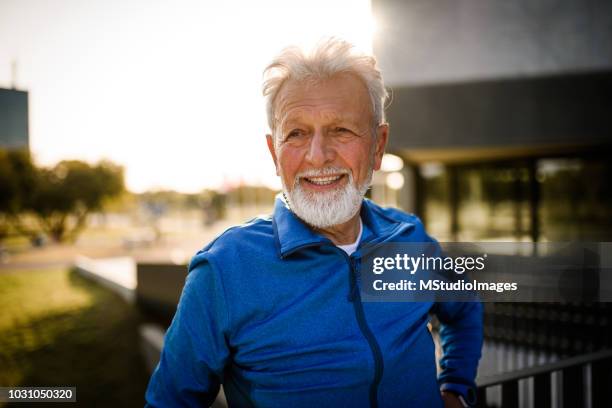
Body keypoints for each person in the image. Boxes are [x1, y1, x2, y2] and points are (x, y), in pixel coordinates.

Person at [145, 38, 482, 408]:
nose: (318, 156)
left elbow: (464, 307)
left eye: (341, 130)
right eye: (297, 133)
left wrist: (456, 387)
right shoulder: (224, 269)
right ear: (275, 153)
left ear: (378, 146)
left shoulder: (410, 238)